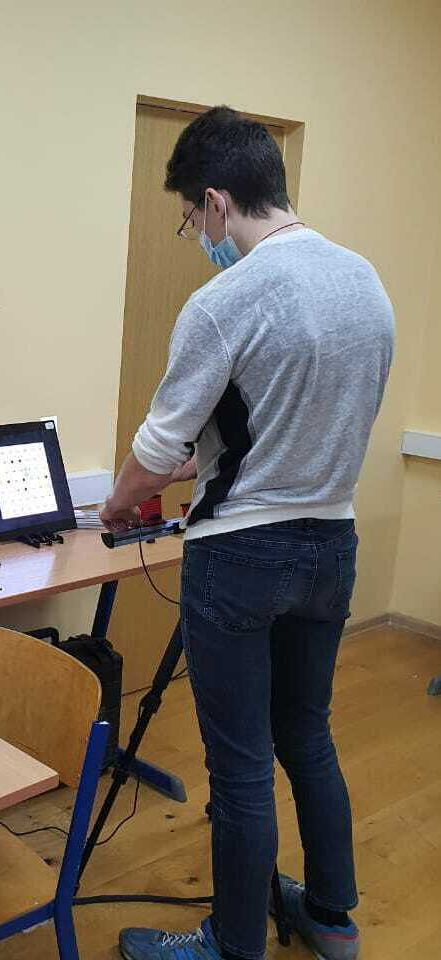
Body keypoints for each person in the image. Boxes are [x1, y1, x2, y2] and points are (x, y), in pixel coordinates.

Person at [100, 106, 394, 960]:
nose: (197, 235)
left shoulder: (225, 300)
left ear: (217, 201)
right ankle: (331, 917)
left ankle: (232, 945)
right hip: (330, 544)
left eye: (190, 217)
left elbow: (159, 447)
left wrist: (118, 505)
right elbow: (307, 422)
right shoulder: (363, 281)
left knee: (238, 765)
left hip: (240, 554)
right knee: (306, 734)